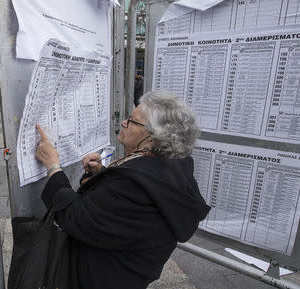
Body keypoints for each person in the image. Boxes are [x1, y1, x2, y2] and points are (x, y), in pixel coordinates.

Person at [35, 90, 210, 289]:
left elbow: (75, 217)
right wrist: (100, 174)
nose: (123, 123)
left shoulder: (134, 184)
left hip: (102, 277)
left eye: (132, 121)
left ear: (153, 138)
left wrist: (53, 167)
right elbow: (122, 210)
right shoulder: (174, 165)